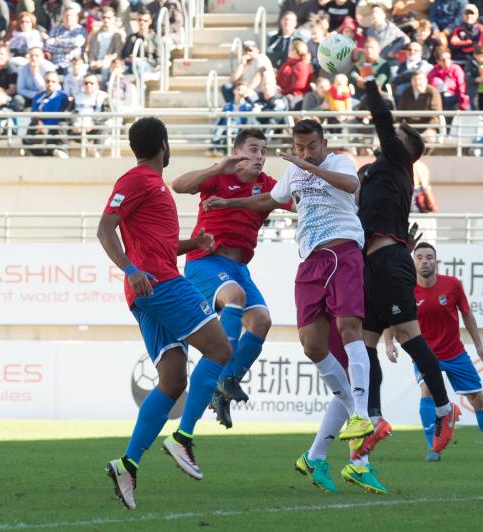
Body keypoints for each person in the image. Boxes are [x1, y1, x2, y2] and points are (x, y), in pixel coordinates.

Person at [203, 119, 383, 494]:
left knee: (350, 329)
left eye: (311, 146)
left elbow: (352, 187)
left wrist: (306, 166)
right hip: (310, 260)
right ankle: (336, 438)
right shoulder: (294, 172)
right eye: (299, 148)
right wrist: (229, 202)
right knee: (312, 346)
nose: (305, 153)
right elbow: (269, 200)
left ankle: (363, 417)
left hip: (342, 250)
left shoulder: (339, 163)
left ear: (323, 142)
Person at [100, 116, 233, 510]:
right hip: (158, 284)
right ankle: (182, 437)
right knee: (222, 350)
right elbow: (105, 229)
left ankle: (127, 464)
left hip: (150, 285)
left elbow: (156, 245)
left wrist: (195, 242)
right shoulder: (138, 179)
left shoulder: (153, 186)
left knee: (173, 379)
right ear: (164, 145)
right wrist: (131, 269)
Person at [353, 75, 460, 462]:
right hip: (371, 264)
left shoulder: (399, 161)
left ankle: (446, 411)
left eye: (396, 136)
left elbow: (382, 119)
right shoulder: (381, 171)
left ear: (405, 148)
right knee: (364, 350)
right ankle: (376, 419)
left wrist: (368, 85)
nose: (388, 138)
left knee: (411, 338)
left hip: (390, 262)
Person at [171, 129, 287, 428]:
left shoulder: (267, 185)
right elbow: (178, 185)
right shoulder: (219, 177)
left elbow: (296, 203)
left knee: (262, 320)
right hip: (205, 262)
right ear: (237, 152)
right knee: (235, 296)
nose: (260, 156)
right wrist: (216, 167)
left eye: (263, 150)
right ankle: (223, 376)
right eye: (253, 149)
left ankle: (225, 386)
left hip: (239, 268)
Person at [388, 242, 483, 463]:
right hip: (424, 354)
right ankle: (432, 448)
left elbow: (467, 314)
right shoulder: (406, 289)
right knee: (427, 392)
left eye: (429, 257)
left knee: (478, 400)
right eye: (420, 257)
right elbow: (391, 318)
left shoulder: (452, 285)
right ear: (413, 262)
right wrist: (388, 343)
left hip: (455, 353)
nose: (425, 261)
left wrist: (479, 345)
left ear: (436, 261)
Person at [44, 4, 86, 74]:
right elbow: (48, 45)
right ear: (62, 17)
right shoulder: (56, 29)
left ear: (76, 18)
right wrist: (62, 49)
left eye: (71, 16)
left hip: (72, 64)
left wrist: (58, 41)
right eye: (66, 16)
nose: (68, 18)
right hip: (56, 64)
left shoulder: (80, 30)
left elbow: (76, 43)